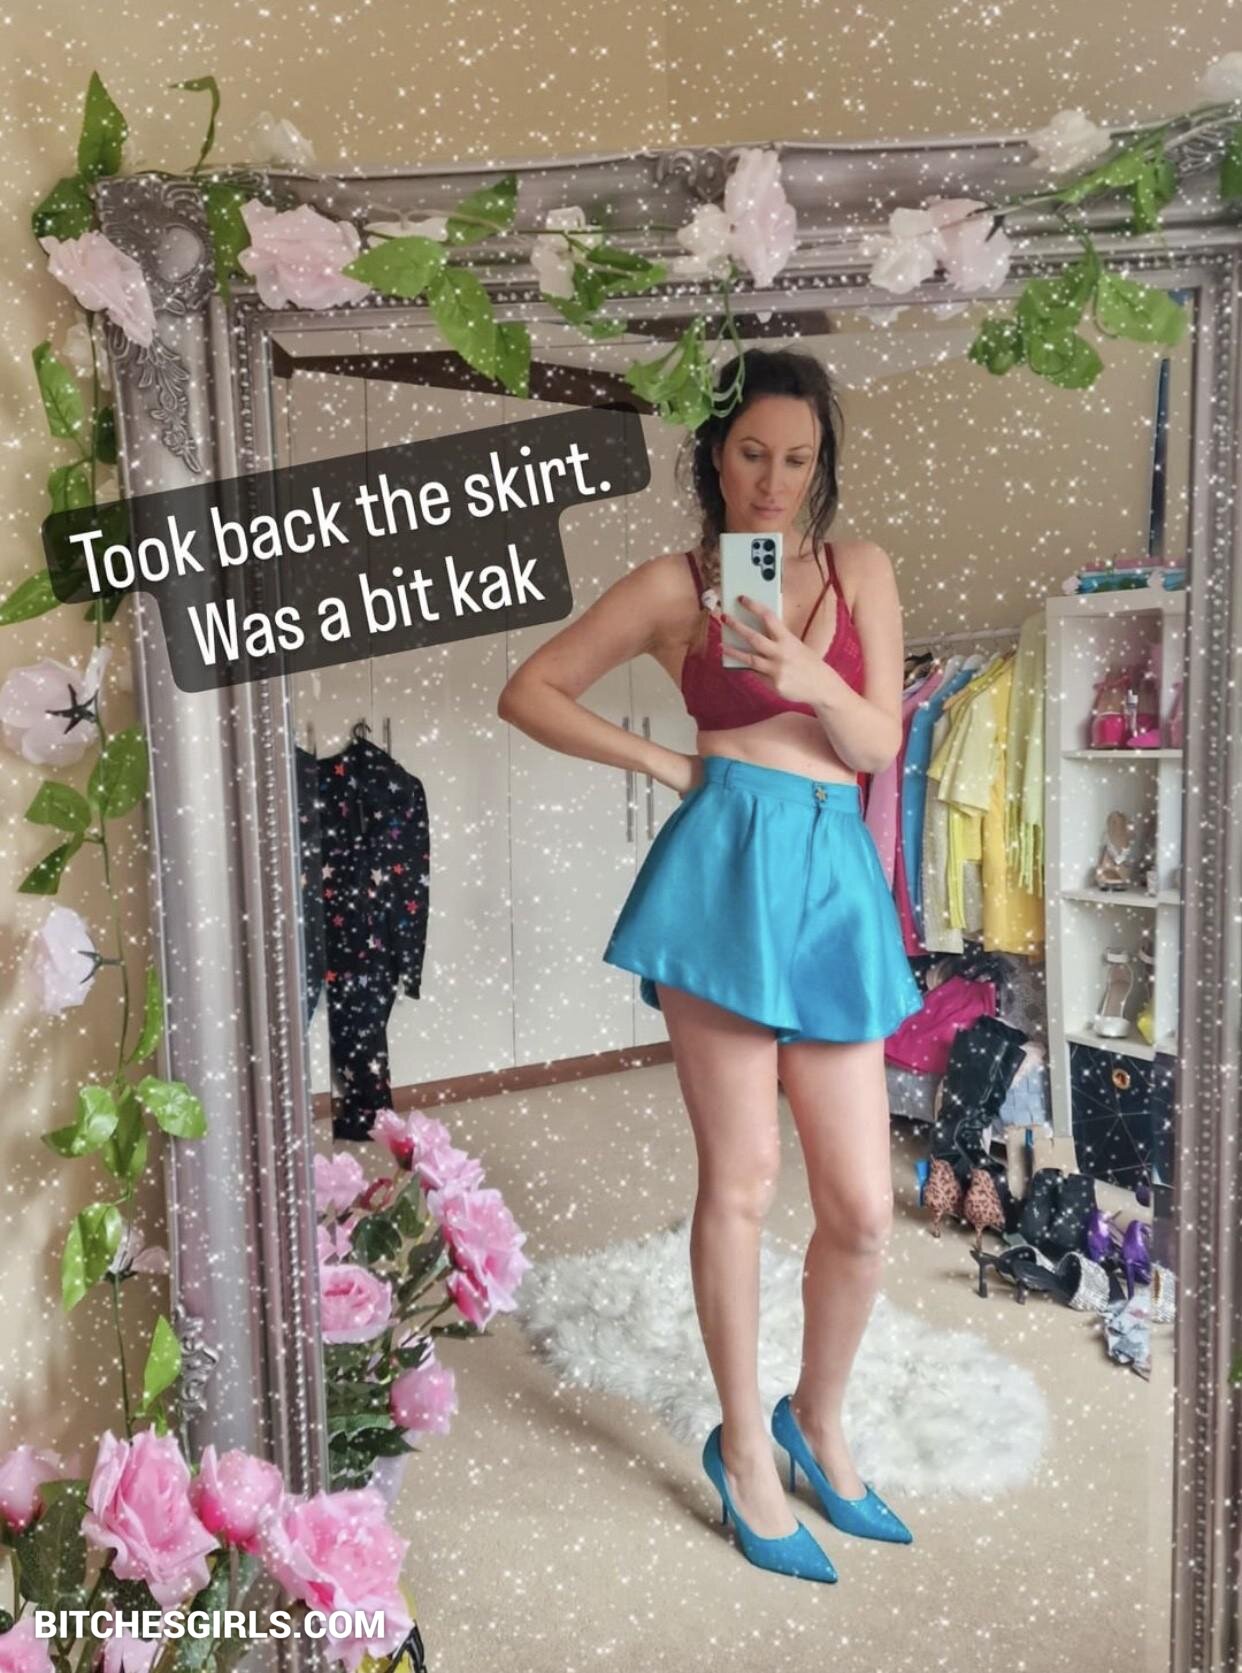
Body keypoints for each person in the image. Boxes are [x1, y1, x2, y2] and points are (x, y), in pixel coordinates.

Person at [496, 346, 923, 1581]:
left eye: (797, 458)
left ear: (820, 463)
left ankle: (815, 1418)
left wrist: (805, 673)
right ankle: (742, 1446)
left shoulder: (862, 569)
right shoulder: (676, 583)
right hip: (725, 866)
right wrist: (673, 764)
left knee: (861, 1206)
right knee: (741, 1180)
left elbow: (877, 742)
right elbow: (531, 689)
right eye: (751, 453)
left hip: (833, 875)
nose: (774, 482)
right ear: (713, 455)